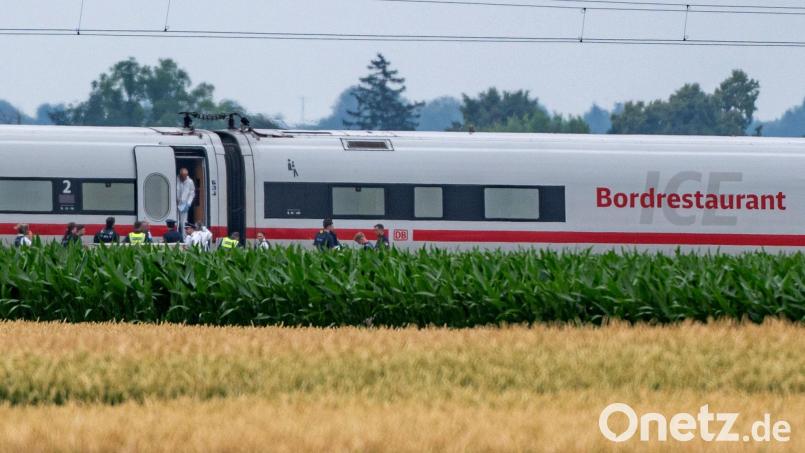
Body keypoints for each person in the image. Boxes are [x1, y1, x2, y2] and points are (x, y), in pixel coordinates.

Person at [176, 168, 196, 233]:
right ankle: (176, 237)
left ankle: (184, 238)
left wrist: (188, 203)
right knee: (176, 221)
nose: (183, 178)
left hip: (184, 204)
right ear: (180, 174)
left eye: (185, 176)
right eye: (182, 176)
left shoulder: (190, 181)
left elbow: (192, 193)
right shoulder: (176, 179)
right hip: (175, 203)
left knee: (183, 222)